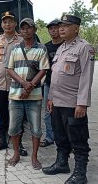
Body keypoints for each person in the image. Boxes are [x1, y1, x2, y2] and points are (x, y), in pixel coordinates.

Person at [42, 15, 95, 184]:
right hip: (57, 101)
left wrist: (82, 103)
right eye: (60, 26)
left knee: (78, 139)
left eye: (66, 25)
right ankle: (62, 163)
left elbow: (86, 77)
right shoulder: (61, 47)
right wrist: (50, 98)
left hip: (73, 103)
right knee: (60, 135)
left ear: (76, 28)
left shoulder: (84, 47)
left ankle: (80, 174)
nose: (61, 29)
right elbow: (54, 76)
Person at [6, 18, 49, 168]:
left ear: (34, 30)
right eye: (23, 28)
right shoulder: (14, 48)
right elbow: (9, 69)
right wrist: (24, 83)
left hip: (34, 96)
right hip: (15, 96)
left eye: (28, 28)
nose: (25, 31)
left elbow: (43, 70)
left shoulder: (41, 48)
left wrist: (30, 87)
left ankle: (34, 157)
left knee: (36, 128)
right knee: (13, 128)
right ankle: (16, 153)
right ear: (20, 31)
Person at [0, 11, 24, 153]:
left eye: (10, 21)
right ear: (1, 24)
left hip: (17, 84)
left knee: (18, 114)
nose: (7, 24)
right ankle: (2, 141)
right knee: (1, 113)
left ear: (15, 23)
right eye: (5, 22)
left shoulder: (21, 40)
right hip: (0, 84)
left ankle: (18, 144)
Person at [40, 19, 64, 148]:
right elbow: (43, 66)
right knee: (48, 112)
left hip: (64, 85)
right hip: (49, 83)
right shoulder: (46, 47)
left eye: (55, 28)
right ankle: (50, 137)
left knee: (63, 112)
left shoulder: (66, 46)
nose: (53, 31)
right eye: (51, 29)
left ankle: (65, 139)